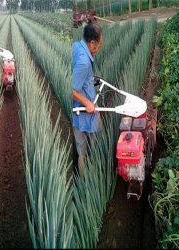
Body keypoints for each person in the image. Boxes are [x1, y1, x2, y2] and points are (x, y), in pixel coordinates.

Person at [72, 23, 103, 178]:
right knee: (92, 145)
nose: (97, 50)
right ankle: (90, 181)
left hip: (79, 111)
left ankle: (86, 181)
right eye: (98, 46)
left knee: (81, 149)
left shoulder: (77, 46)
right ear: (92, 43)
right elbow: (72, 89)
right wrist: (88, 103)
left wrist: (90, 80)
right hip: (84, 110)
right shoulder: (84, 62)